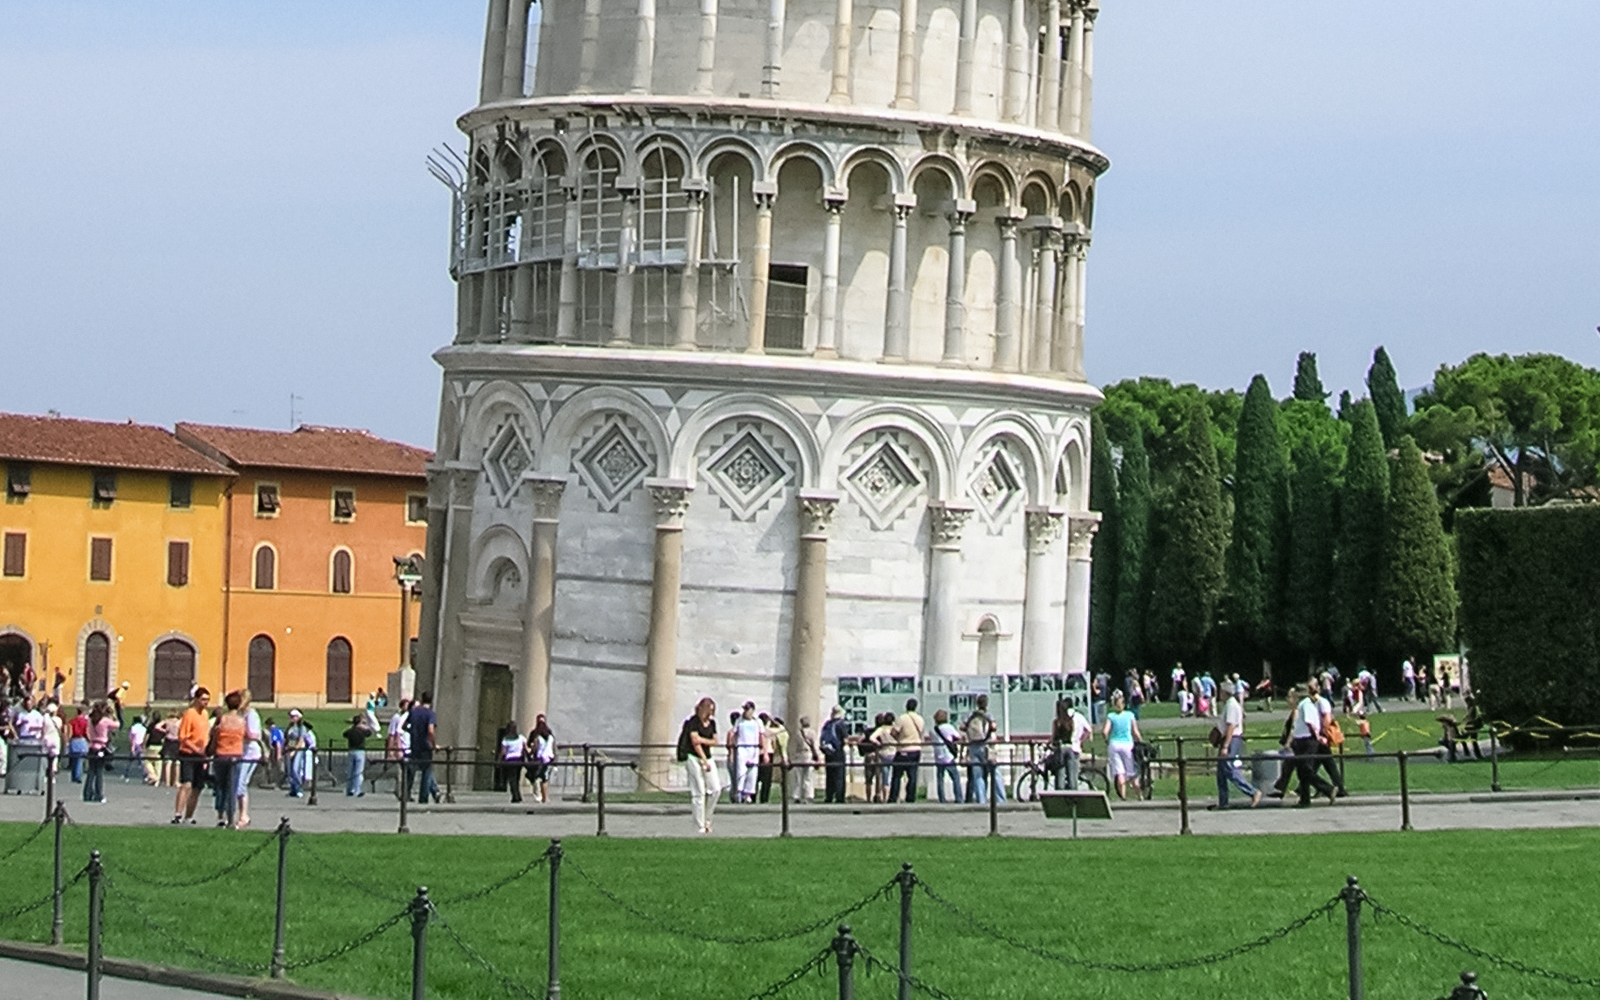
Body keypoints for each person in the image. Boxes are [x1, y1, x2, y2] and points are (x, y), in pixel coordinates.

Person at [1213, 683, 1261, 809]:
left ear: (1225, 692)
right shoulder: (1229, 705)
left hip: (1231, 739)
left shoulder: (1231, 705)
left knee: (1229, 769)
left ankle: (1252, 791)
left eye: (1221, 691)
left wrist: (1225, 746)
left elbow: (1231, 726)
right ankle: (1223, 802)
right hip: (1229, 739)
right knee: (1221, 773)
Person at [1288, 685, 1337, 807]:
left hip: (1306, 740)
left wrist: (1317, 736)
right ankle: (1305, 799)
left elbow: (1310, 723)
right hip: (1302, 739)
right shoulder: (1306, 704)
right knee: (1302, 771)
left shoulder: (1306, 704)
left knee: (1305, 769)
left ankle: (1328, 789)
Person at [678, 697, 720, 833]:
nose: (710, 714)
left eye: (712, 711)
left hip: (708, 756)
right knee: (699, 791)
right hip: (694, 757)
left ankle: (708, 819)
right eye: (708, 710)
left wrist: (702, 740)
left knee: (715, 789)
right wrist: (703, 760)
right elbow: (695, 743)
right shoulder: (693, 722)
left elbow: (715, 741)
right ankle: (699, 824)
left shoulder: (712, 723)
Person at [172, 688, 211, 825]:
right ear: (196, 699)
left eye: (207, 700)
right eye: (203, 699)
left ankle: (189, 816)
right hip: (188, 753)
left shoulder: (205, 714)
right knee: (187, 784)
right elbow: (183, 737)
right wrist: (196, 749)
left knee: (198, 787)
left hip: (201, 754)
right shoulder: (190, 713)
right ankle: (178, 814)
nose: (205, 702)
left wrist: (205, 751)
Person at [211, 691, 247, 827]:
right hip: (236, 755)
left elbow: (213, 732)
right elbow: (245, 735)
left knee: (220, 786)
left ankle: (220, 815)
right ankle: (231, 817)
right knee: (232, 787)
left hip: (221, 754)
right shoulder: (241, 721)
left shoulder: (222, 719)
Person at [1102, 690, 1142, 800]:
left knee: (1120, 772)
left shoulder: (1111, 716)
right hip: (1128, 745)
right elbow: (1135, 732)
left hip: (1114, 744)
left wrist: (1107, 740)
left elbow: (1105, 732)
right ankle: (1139, 795)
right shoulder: (1130, 715)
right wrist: (1140, 741)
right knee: (1131, 772)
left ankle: (1123, 797)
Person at [234, 691, 264, 828]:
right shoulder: (240, 714)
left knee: (240, 784)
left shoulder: (251, 714)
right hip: (241, 752)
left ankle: (243, 816)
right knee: (241, 783)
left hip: (250, 752)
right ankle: (243, 815)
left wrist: (239, 731)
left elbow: (254, 735)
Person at [888, 698, 925, 803]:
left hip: (903, 749)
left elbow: (894, 732)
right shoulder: (920, 719)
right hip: (916, 749)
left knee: (897, 775)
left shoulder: (902, 718)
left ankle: (893, 797)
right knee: (912, 775)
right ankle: (910, 797)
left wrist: (899, 739)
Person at [1050, 698, 1091, 791]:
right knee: (1072, 776)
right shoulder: (1070, 721)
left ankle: (1060, 793)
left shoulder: (1057, 722)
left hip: (1060, 749)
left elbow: (1054, 737)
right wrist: (1080, 740)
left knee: (1060, 774)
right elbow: (1087, 731)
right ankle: (1073, 794)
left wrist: (1051, 744)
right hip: (1071, 748)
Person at [83, 700, 119, 804]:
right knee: (99, 772)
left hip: (92, 746)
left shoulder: (90, 720)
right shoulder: (105, 721)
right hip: (101, 746)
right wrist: (112, 715)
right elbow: (117, 725)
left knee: (91, 771)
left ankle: (87, 793)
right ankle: (99, 794)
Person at [964, 695, 999, 803]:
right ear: (986, 704)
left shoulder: (971, 715)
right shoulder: (988, 715)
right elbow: (994, 727)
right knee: (994, 772)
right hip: (986, 746)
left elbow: (963, 727)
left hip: (973, 746)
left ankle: (981, 800)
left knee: (977, 774)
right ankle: (1001, 799)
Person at [406, 691, 438, 804]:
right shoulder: (430, 714)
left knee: (411, 770)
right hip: (425, 746)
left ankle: (406, 793)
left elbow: (405, 725)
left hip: (414, 745)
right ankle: (423, 797)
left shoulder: (413, 712)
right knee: (426, 771)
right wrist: (433, 744)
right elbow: (430, 731)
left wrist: (412, 732)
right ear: (431, 700)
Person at [929, 709, 963, 803]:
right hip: (948, 756)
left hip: (938, 756)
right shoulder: (948, 727)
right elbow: (958, 737)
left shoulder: (932, 730)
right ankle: (958, 798)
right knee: (955, 777)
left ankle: (942, 798)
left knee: (940, 778)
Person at [733, 702, 761, 804]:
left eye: (748, 710)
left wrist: (764, 750)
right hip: (742, 747)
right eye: (745, 709)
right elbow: (734, 734)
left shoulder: (757, 722)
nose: (746, 712)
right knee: (741, 771)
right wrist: (733, 748)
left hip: (754, 747)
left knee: (752, 772)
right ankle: (739, 792)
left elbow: (761, 735)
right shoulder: (739, 721)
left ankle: (748, 794)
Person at [818, 706, 848, 804]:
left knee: (830, 775)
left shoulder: (827, 724)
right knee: (839, 775)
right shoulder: (841, 724)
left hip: (828, 752)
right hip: (838, 752)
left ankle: (829, 796)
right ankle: (839, 797)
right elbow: (845, 739)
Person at [863, 712, 894, 803]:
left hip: (869, 755)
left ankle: (868, 799)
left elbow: (861, 740)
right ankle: (879, 796)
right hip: (881, 755)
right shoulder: (885, 731)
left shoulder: (868, 731)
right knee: (879, 777)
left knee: (868, 779)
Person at [284, 710, 314, 797]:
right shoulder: (290, 727)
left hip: (298, 749)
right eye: (291, 716)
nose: (292, 718)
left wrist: (294, 751)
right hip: (289, 748)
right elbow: (286, 739)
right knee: (289, 771)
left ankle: (298, 788)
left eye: (294, 716)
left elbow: (301, 740)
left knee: (295, 769)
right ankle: (292, 789)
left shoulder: (301, 727)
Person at [344, 714, 374, 797]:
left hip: (351, 751)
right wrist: (364, 726)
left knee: (350, 771)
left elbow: (345, 734)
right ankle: (357, 790)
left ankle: (349, 789)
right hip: (360, 751)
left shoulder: (351, 731)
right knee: (358, 772)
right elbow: (369, 733)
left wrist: (353, 727)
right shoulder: (362, 731)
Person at [527, 715, 555, 803]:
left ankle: (539, 795)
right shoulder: (550, 736)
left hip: (539, 759)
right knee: (544, 778)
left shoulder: (537, 736)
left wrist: (530, 754)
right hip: (549, 759)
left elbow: (533, 747)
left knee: (536, 777)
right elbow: (554, 747)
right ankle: (544, 797)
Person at [497, 720, 525, 803]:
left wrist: (499, 760)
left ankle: (515, 796)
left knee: (512, 779)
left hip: (510, 759)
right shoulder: (521, 738)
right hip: (519, 759)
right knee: (517, 778)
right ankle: (518, 795)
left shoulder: (506, 739)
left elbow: (503, 751)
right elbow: (524, 749)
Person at [794, 716, 820, 803]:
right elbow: (815, 746)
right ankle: (808, 795)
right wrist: (817, 757)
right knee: (808, 777)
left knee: (798, 778)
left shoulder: (797, 734)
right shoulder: (812, 733)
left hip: (799, 756)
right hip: (808, 755)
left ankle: (797, 795)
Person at [65, 702, 90, 783]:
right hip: (81, 740)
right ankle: (77, 776)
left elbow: (70, 732)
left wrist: (68, 741)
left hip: (74, 740)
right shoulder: (85, 722)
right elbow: (86, 732)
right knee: (80, 760)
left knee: (74, 759)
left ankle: (74, 775)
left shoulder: (72, 721)